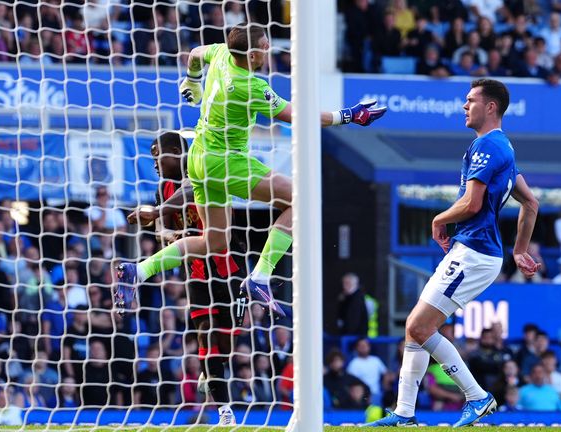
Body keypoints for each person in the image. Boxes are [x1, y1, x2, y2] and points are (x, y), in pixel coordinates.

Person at [116, 23, 385, 319]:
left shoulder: (220, 54)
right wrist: (348, 115)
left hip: (199, 158)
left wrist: (192, 81)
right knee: (302, 199)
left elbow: (194, 54)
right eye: (265, 46)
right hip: (226, 162)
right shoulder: (250, 86)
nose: (269, 50)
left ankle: (138, 271)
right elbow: (300, 116)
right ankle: (259, 276)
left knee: (214, 242)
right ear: (253, 55)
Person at [366, 79, 540, 427]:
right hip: (476, 251)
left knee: (418, 325)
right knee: (416, 329)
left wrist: (438, 218)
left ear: (490, 107)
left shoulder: (487, 147)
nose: (464, 106)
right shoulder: (503, 146)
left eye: (470, 100)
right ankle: (404, 412)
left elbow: (472, 203)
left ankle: (478, 397)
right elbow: (531, 202)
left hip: (474, 252)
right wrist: (519, 250)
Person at [125, 131, 247, 426]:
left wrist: (157, 211)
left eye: (158, 156)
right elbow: (161, 231)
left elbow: (191, 191)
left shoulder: (201, 168)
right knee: (206, 332)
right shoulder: (162, 187)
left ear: (175, 152)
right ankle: (224, 411)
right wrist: (169, 234)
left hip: (227, 265)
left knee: (227, 338)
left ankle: (212, 370)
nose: (154, 163)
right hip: (195, 270)